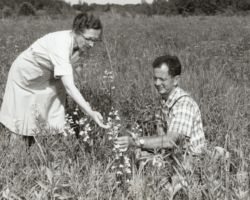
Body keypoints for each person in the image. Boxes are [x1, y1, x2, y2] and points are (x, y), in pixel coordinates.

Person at [0, 13, 109, 147]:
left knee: (52, 111)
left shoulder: (79, 43)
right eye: (89, 39)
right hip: (25, 77)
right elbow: (70, 86)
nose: (92, 44)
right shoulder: (61, 44)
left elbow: (70, 70)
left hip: (46, 77)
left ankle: (45, 146)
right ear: (76, 31)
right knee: (21, 119)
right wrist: (90, 111)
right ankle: (15, 156)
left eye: (95, 40)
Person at [115, 55, 206, 194]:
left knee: (143, 154)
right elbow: (161, 135)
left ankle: (169, 191)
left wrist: (136, 141)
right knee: (140, 155)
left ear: (176, 80)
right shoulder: (164, 101)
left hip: (191, 161)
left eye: (162, 79)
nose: (157, 83)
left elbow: (171, 141)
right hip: (174, 157)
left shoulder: (183, 104)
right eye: (155, 78)